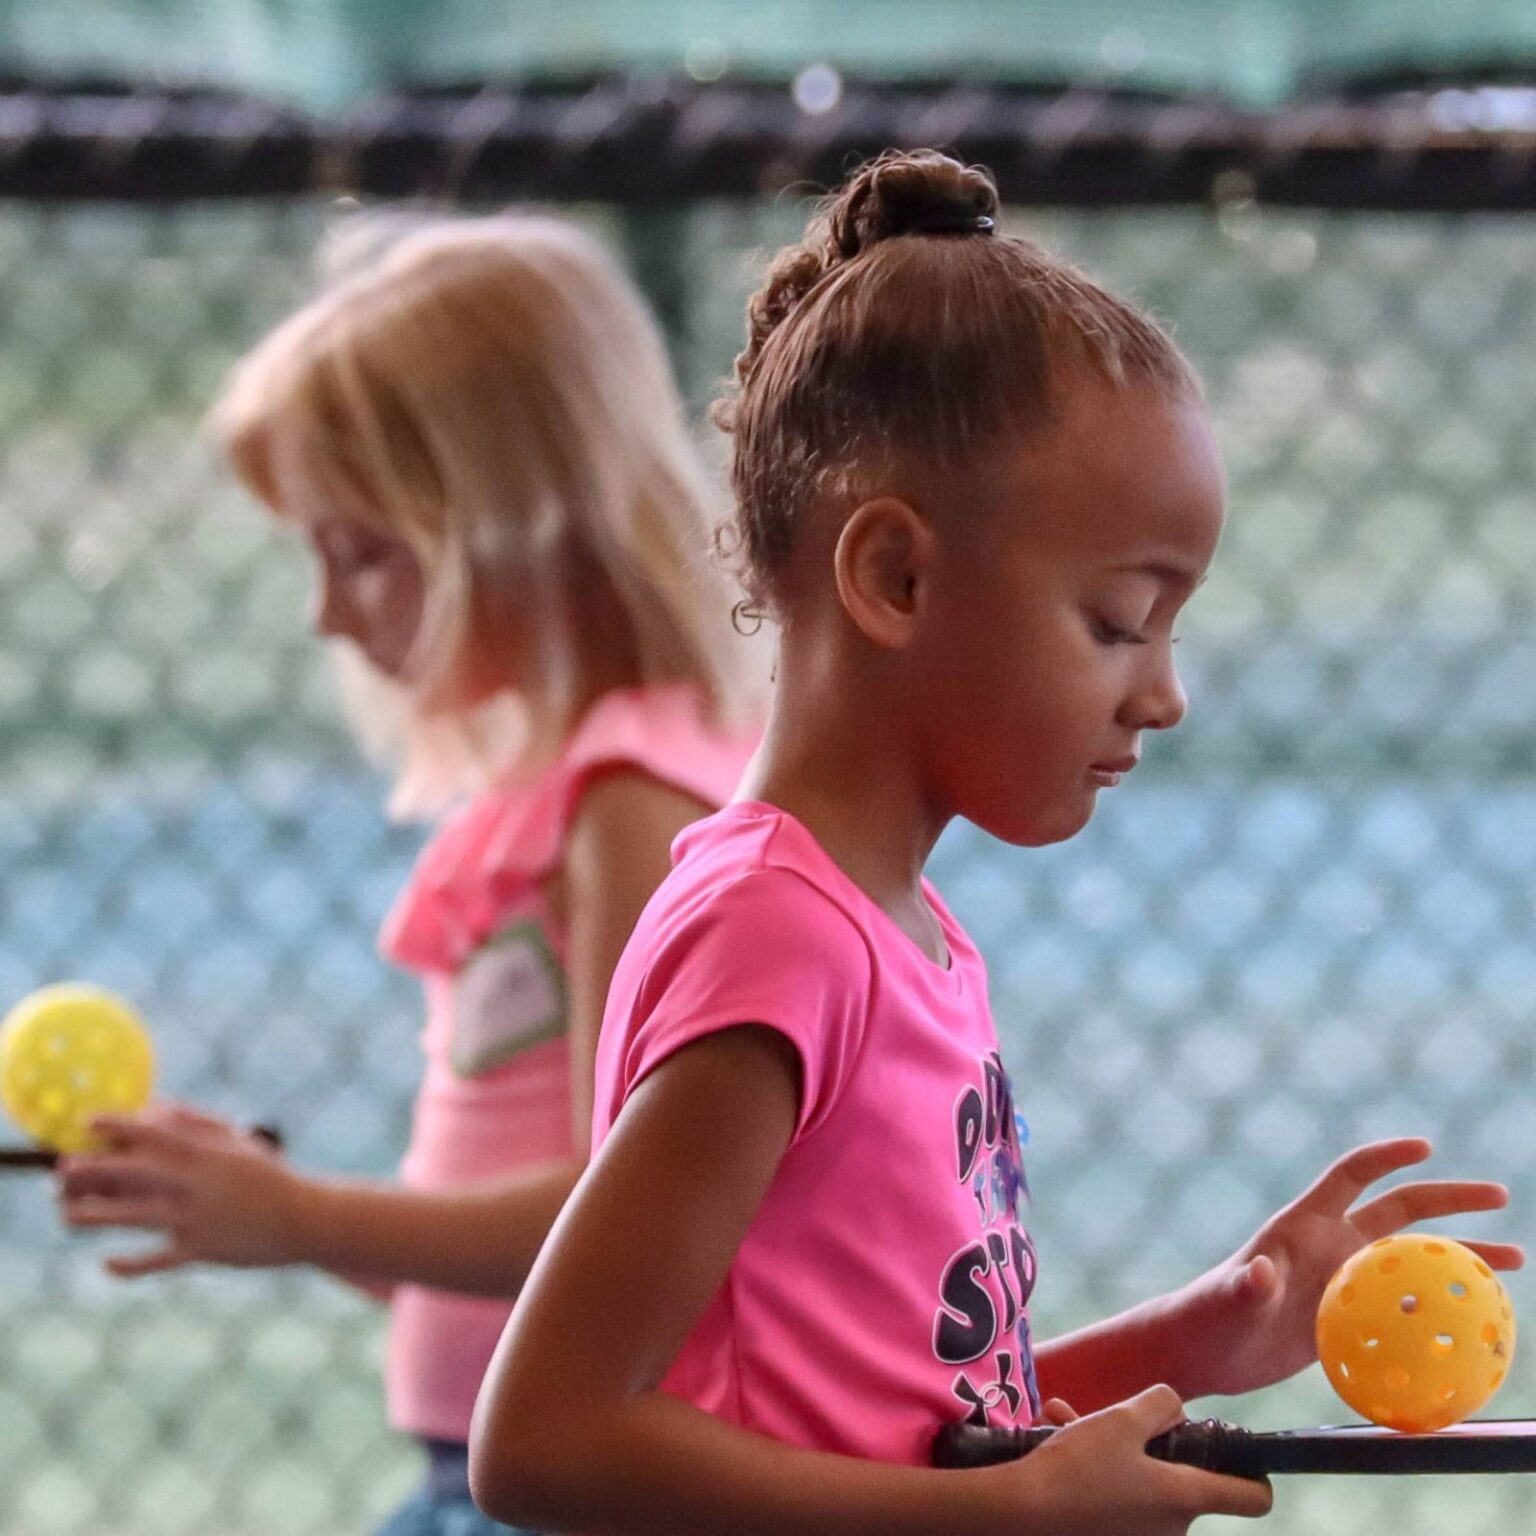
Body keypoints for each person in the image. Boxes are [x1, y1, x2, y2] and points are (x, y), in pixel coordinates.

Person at [467, 151, 1523, 1536]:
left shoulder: (901, 937)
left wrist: (1197, 1338)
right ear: (896, 577)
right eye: (1117, 622)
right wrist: (1014, 1519)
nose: (1165, 692)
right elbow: (546, 1439)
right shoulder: (775, 937)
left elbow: (923, 1431)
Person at [56, 214, 760, 1536]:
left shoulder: (631, 807)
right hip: (491, 1474)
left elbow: (631, 1223)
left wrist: (309, 1212)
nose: (329, 612)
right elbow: (531, 1256)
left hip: (575, 1496)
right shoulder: (568, 797)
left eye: (364, 553)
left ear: (521, 522)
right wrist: (274, 1213)